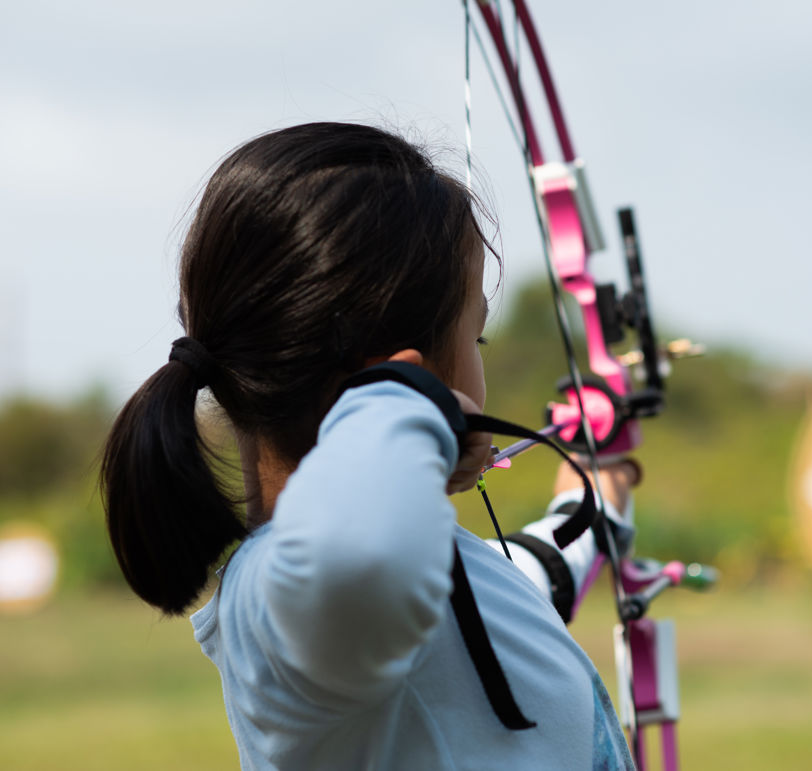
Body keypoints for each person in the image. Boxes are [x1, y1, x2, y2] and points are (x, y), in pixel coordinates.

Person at [101, 122, 639, 770]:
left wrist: (591, 508)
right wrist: (405, 397)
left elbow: (495, 608)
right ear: (397, 370)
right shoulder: (286, 609)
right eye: (478, 338)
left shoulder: (367, 593)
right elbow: (366, 562)